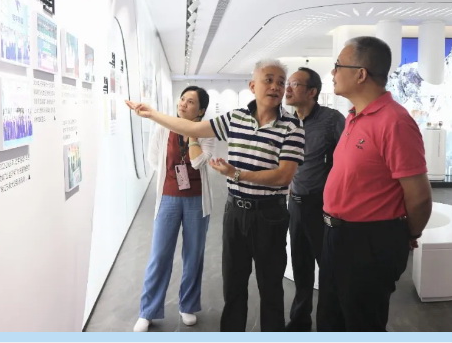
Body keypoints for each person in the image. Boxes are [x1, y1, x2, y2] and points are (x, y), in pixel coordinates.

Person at [127, 59, 305, 332]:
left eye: (281, 82)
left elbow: (284, 176)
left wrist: (236, 174)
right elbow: (190, 130)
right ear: (253, 86)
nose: (275, 87)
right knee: (232, 285)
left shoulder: (292, 126)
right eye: (268, 80)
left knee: (270, 286)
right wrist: (151, 114)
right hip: (234, 211)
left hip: (269, 213)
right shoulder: (235, 118)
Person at [317, 36, 432, 331]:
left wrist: (407, 233)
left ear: (360, 74)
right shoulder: (354, 117)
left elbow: (419, 196)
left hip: (368, 242)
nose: (333, 72)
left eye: (338, 66)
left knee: (362, 323)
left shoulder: (395, 121)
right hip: (335, 235)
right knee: (330, 320)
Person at [133, 86, 216, 332]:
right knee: (159, 255)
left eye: (190, 102)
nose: (183, 104)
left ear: (200, 110)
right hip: (168, 198)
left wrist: (192, 133)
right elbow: (154, 158)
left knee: (193, 255)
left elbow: (198, 161)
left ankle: (188, 305)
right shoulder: (163, 127)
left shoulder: (206, 132)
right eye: (182, 99)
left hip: (197, 200)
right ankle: (148, 311)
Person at [283, 67, 345, 332]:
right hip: (294, 203)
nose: (287, 88)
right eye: (288, 83)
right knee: (300, 266)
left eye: (295, 84)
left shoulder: (331, 120)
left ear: (312, 92)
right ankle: (299, 322)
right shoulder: (286, 121)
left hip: (321, 205)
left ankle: (330, 327)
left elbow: (346, 162)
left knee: (329, 269)